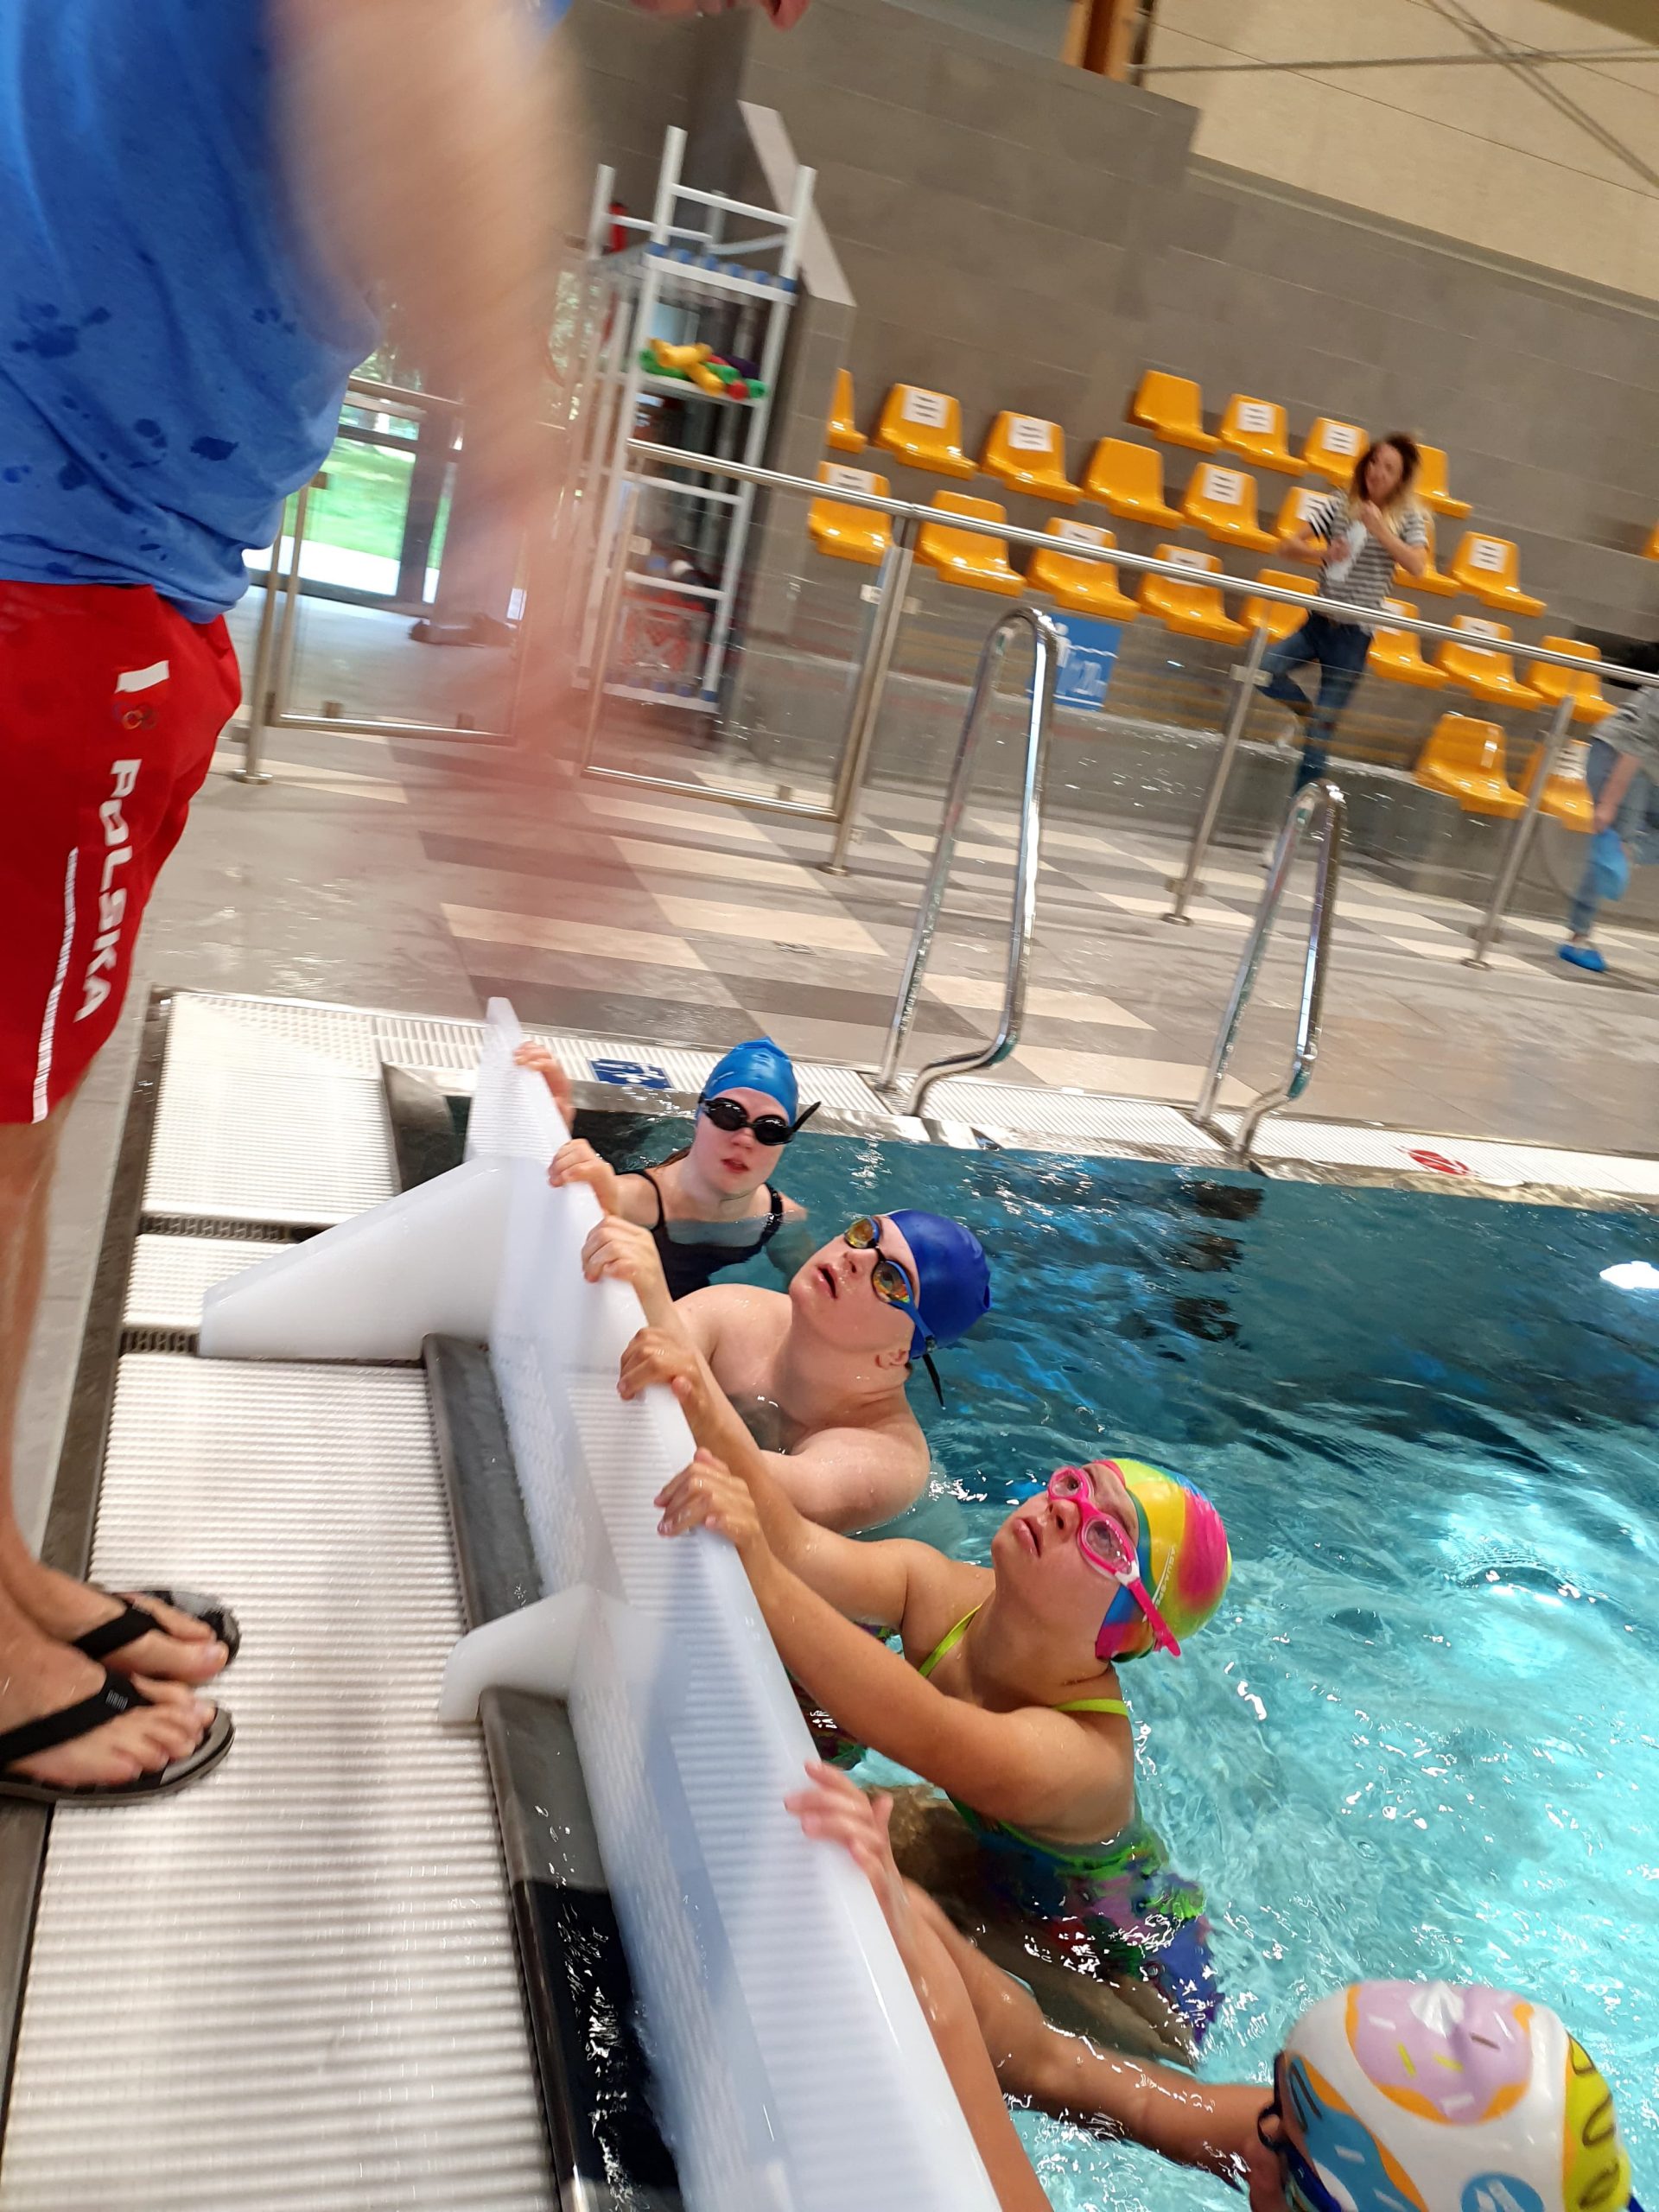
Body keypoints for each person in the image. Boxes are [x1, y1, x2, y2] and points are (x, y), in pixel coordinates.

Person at [0, 0, 579, 1802]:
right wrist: (528, 487)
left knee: (20, 1127)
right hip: (51, 557)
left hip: (82, 535)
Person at [635, 1332, 1231, 2060]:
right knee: (847, 1827)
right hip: (1002, 1859)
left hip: (1122, 1965)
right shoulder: (945, 1593)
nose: (1065, 1510)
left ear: (1126, 1629)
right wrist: (699, 1397)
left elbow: (915, 1724)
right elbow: (796, 1546)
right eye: (1077, 1486)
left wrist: (759, 1569)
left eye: (1107, 1538)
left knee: (966, 1989)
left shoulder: (1078, 1758)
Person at [797, 1770, 1642, 2212]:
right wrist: (923, 1933)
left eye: (1286, 2146)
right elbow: (1063, 2068)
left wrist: (941, 2015)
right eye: (1276, 2106)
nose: (1255, 2144)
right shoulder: (1345, 2153)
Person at [587, 1209, 990, 1530]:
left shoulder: (888, 1460)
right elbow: (629, 1363)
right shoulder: (736, 1311)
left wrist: (657, 1302)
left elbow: (756, 1493)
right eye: (866, 1234)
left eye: (890, 1279)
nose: (856, 1257)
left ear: (899, 1353)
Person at [518, 1036, 813, 1296]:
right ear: (699, 1116)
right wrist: (551, 1138)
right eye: (728, 1115)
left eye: (770, 1129)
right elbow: (528, 1236)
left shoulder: (782, 1218)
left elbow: (811, 1303)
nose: (745, 1139)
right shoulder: (628, 1200)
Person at [1263, 434, 1430, 797]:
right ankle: (1308, 716)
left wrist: (1380, 529)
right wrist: (1322, 554)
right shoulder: (1341, 502)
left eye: (1389, 469)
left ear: (1400, 480)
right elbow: (1287, 546)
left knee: (1318, 742)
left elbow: (1418, 566)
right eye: (1374, 462)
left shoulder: (1409, 517)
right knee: (1264, 670)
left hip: (1353, 639)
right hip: (1317, 624)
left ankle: (1297, 816)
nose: (1377, 472)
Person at [1558, 683, 1659, 975]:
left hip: (1650, 767)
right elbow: (1638, 741)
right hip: (1619, 754)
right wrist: (1608, 803)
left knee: (1619, 847)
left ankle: (1627, 851)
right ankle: (1578, 938)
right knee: (1614, 839)